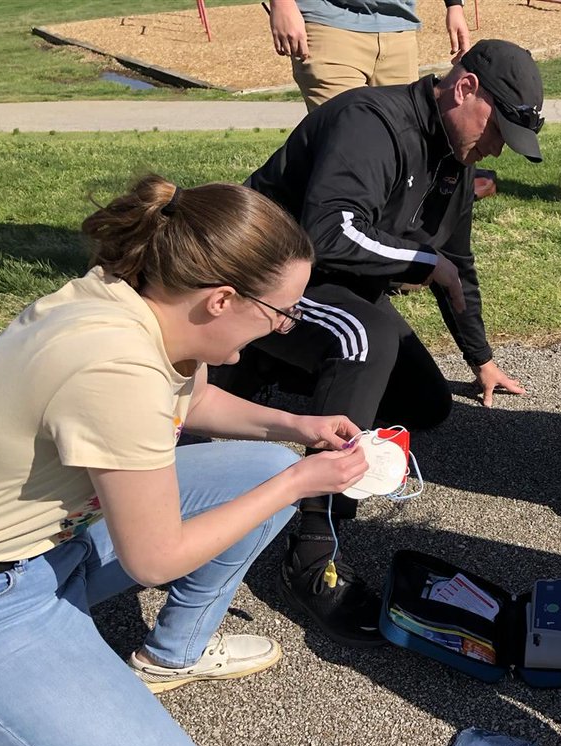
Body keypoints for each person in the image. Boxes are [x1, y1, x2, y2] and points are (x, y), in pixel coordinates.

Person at [0, 176, 369, 746]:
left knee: (266, 467)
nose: (286, 326)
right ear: (222, 300)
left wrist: (291, 427)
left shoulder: (136, 302)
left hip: (47, 544)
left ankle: (170, 656)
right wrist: (304, 482)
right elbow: (155, 558)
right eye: (283, 312)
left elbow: (189, 405)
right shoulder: (115, 368)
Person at [210, 39, 544, 648]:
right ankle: (312, 553)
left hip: (334, 286)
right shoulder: (372, 120)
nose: (498, 149)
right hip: (270, 276)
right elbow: (327, 231)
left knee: (426, 403)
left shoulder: (456, 155)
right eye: (497, 131)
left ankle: (270, 386)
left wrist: (482, 359)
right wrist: (422, 262)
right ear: (465, 88)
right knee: (366, 335)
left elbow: (457, 262)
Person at [267, 0, 472, 112]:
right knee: (348, 141)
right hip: (328, 23)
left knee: (401, 142)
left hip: (399, 27)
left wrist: (454, 5)